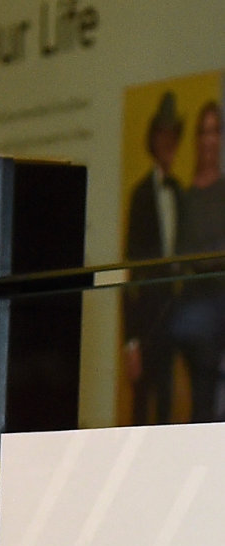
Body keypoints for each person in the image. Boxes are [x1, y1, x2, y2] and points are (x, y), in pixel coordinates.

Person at [124, 90, 186, 425]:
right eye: (162, 135)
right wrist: (130, 342)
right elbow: (129, 272)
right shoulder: (140, 196)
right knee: (140, 405)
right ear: (154, 140)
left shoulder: (179, 192)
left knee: (166, 400)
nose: (168, 143)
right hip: (147, 317)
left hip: (173, 313)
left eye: (172, 136)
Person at [166, 99, 225, 423]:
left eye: (215, 131)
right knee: (202, 404)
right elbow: (182, 255)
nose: (209, 139)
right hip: (196, 313)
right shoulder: (184, 197)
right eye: (203, 132)